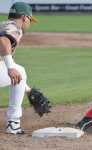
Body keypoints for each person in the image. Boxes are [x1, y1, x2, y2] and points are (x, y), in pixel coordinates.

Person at [0, 2, 50, 135]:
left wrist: (27, 90)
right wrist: (11, 68)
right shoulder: (14, 27)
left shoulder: (4, 25)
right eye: (30, 20)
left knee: (17, 70)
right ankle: (13, 123)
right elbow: (3, 41)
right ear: (24, 18)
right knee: (19, 70)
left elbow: (6, 60)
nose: (30, 24)